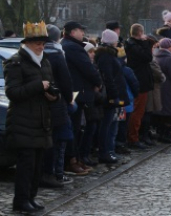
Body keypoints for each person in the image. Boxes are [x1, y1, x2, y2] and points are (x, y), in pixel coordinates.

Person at [4, 22, 57, 213]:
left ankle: (31, 198)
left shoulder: (45, 61)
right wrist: (38, 86)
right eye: (37, 43)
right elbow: (13, 93)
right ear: (27, 44)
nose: (40, 46)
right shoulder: (16, 62)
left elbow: (50, 85)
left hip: (42, 121)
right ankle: (21, 200)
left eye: (42, 43)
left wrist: (53, 95)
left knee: (37, 166)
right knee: (26, 167)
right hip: (23, 122)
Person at [61, 21, 102, 175]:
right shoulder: (73, 47)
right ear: (72, 32)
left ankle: (75, 159)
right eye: (80, 31)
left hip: (76, 91)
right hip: (78, 92)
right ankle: (71, 161)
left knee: (76, 128)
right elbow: (87, 68)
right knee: (74, 128)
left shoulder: (67, 45)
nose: (83, 33)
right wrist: (97, 82)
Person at [40, 24, 74, 188]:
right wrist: (69, 99)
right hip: (56, 101)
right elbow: (65, 80)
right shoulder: (57, 54)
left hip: (43, 101)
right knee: (56, 140)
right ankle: (51, 173)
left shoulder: (40, 54)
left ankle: (48, 172)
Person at [95, 29, 129, 163]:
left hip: (114, 94)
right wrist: (114, 95)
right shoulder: (106, 57)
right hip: (110, 96)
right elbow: (109, 78)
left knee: (111, 124)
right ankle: (105, 152)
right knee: (107, 125)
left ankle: (109, 150)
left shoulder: (109, 55)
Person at [125, 24, 154, 148]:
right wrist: (146, 44)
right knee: (137, 111)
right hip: (140, 81)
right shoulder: (133, 46)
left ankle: (135, 136)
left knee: (138, 111)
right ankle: (133, 137)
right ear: (140, 32)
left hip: (140, 80)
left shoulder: (132, 44)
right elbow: (147, 57)